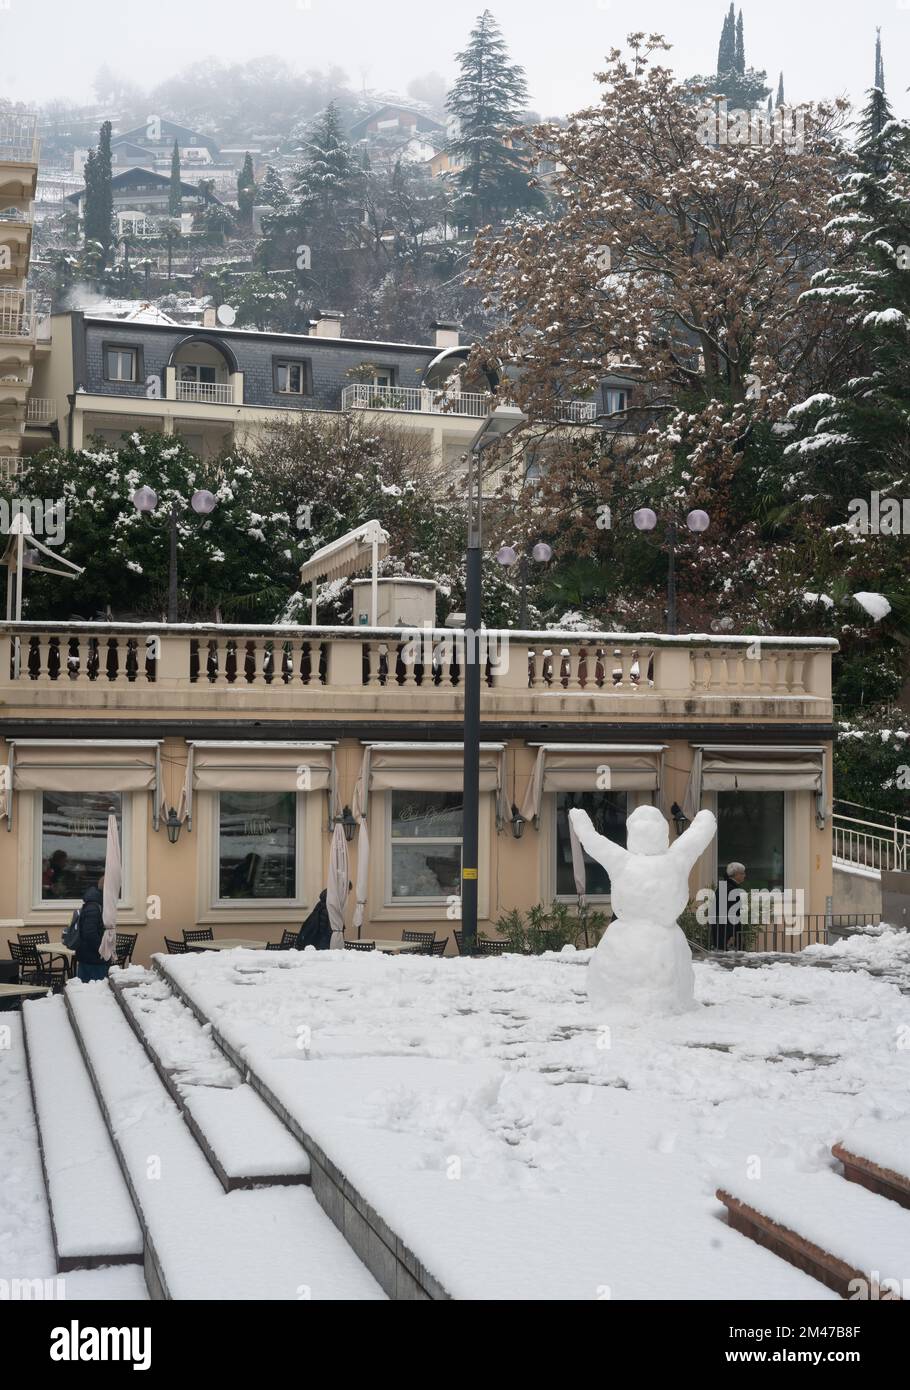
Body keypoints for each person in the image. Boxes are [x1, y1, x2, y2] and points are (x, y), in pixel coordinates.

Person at [74, 877, 110, 983]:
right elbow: (90, 933)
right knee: (94, 991)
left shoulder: (95, 904)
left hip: (90, 957)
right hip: (92, 959)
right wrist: (102, 950)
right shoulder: (94, 907)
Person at [709, 862, 747, 951]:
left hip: (722, 931)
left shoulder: (724, 887)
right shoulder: (730, 889)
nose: (744, 875)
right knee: (729, 959)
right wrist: (732, 934)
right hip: (726, 933)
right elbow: (731, 913)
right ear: (736, 874)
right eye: (742, 873)